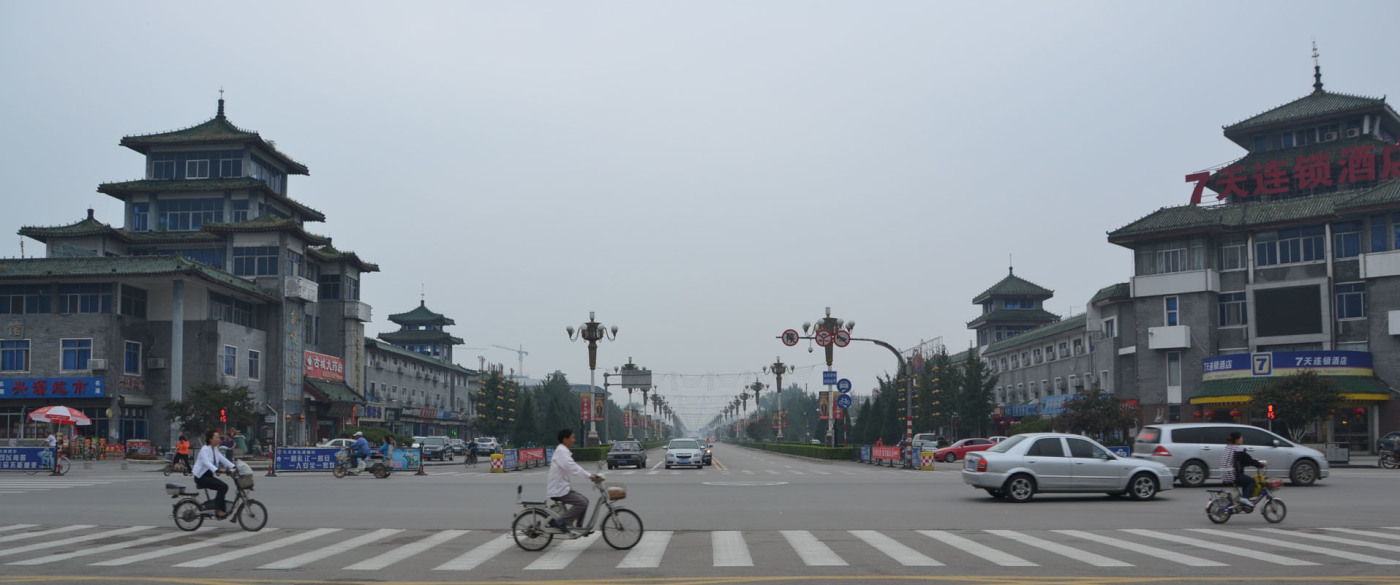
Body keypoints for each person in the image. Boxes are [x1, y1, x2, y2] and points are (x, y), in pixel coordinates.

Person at [547, 428, 598, 532]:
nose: (574, 440)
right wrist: (589, 476)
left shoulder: (563, 451)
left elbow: (573, 467)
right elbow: (572, 467)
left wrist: (589, 475)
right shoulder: (561, 451)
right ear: (565, 439)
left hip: (563, 488)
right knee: (582, 503)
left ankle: (579, 527)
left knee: (585, 501)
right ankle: (560, 522)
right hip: (559, 490)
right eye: (572, 438)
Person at [192, 430, 236, 519]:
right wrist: (218, 470)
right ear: (210, 439)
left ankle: (218, 507)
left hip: (208, 476)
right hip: (201, 477)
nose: (219, 439)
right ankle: (218, 510)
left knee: (223, 487)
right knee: (223, 487)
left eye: (218, 437)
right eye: (216, 437)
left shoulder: (215, 449)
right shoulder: (204, 449)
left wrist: (234, 466)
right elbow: (206, 462)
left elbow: (222, 459)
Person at [1221, 431, 1268, 507]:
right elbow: (1248, 460)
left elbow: (1241, 461)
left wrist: (1254, 463)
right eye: (1241, 438)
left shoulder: (1228, 448)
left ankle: (1244, 500)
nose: (1242, 439)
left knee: (1245, 481)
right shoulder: (1238, 449)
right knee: (1251, 481)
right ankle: (1245, 498)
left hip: (1225, 474)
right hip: (1233, 475)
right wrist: (1259, 464)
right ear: (1237, 440)